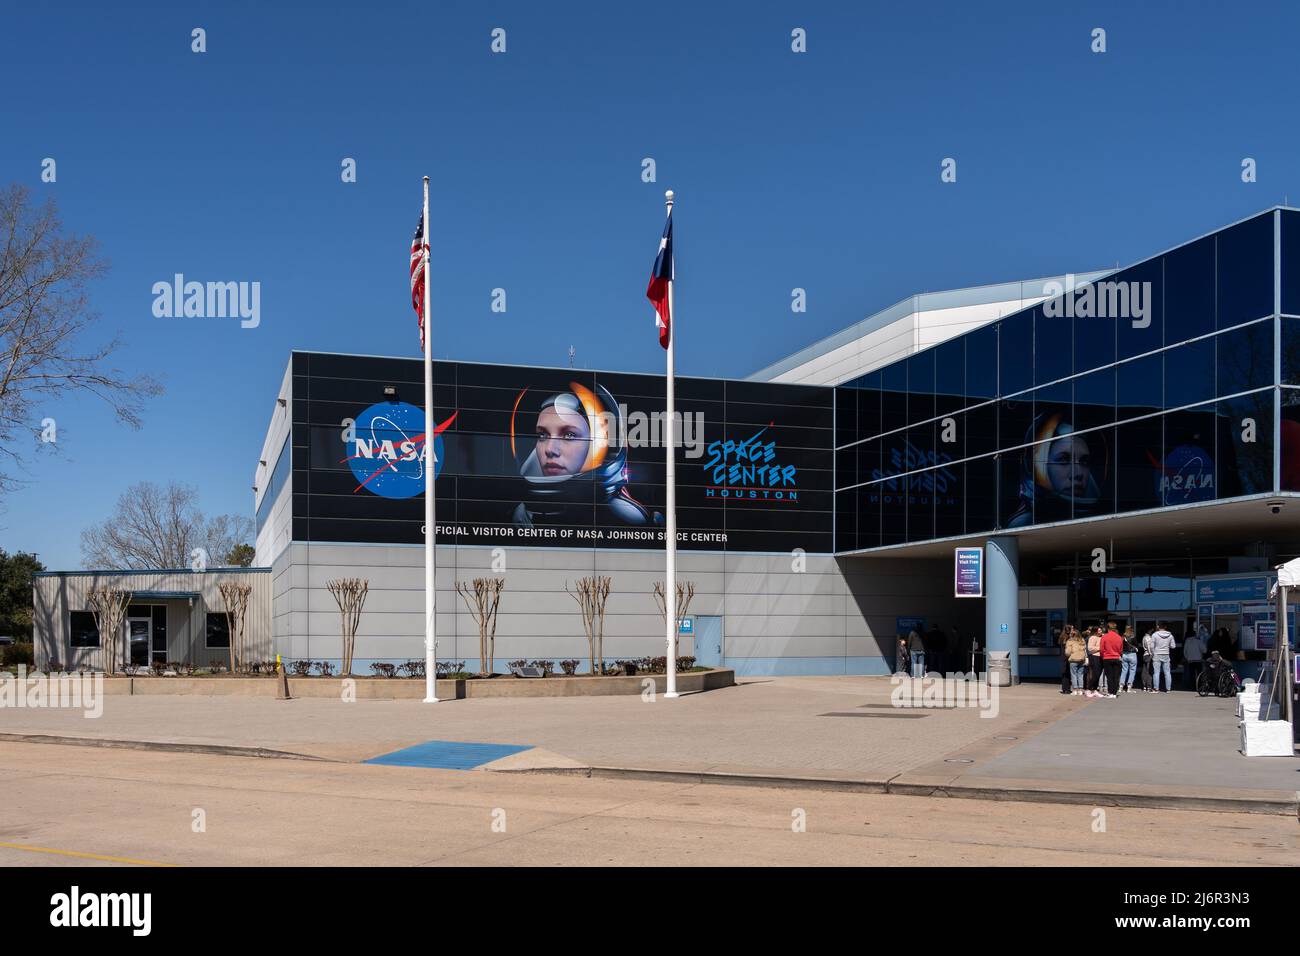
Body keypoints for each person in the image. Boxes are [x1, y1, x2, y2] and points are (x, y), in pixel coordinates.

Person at [1150, 621, 1176, 693]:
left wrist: (1153, 653)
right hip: (1166, 654)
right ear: (1165, 627)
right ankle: (1168, 689)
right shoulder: (1170, 635)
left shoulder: (1154, 635)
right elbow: (1173, 646)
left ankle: (1156, 689)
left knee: (1156, 672)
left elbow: (1152, 646)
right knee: (1167, 672)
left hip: (1157, 654)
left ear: (1158, 627)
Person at [1100, 621, 1123, 699]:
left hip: (1107, 658)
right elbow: (1120, 650)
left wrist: (1103, 656)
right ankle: (1114, 692)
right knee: (1116, 676)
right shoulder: (1119, 637)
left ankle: (1110, 692)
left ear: (1108, 628)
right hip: (1116, 658)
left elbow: (1102, 649)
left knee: (1109, 676)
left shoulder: (1104, 637)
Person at [1064, 626, 1088, 695]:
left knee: (1073, 674)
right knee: (1080, 675)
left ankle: (1075, 690)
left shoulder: (1070, 641)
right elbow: (1085, 649)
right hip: (1082, 659)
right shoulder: (1082, 640)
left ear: (1072, 634)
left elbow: (1067, 652)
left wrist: (1069, 655)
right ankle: (1080, 690)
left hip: (1073, 659)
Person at [1182, 626, 1205, 691]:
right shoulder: (1198, 641)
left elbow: (1185, 651)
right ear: (1195, 634)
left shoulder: (1187, 641)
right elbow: (1204, 650)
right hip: (1198, 660)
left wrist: (1187, 658)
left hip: (1190, 660)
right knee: (1199, 673)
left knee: (1191, 674)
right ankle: (1199, 686)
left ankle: (1192, 686)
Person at [1085, 626, 1104, 698]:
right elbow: (1090, 648)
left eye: (1101, 630)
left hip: (1100, 656)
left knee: (1098, 674)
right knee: (1095, 674)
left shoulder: (1102, 637)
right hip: (1094, 657)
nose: (1101, 632)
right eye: (1099, 630)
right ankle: (1089, 689)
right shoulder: (1092, 637)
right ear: (1095, 631)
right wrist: (1101, 648)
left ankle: (1095, 690)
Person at [1120, 624, 1139, 693]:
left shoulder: (1123, 636)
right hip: (1132, 654)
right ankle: (1129, 687)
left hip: (1124, 654)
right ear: (1131, 629)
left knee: (1124, 670)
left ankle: (1121, 686)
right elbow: (1136, 645)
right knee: (1132, 670)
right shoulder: (1133, 636)